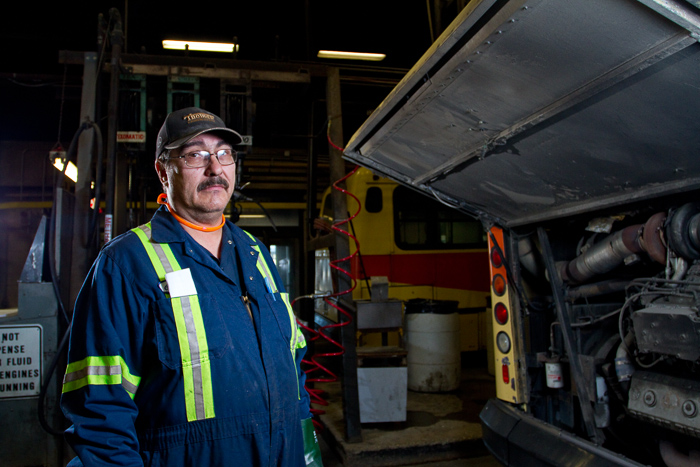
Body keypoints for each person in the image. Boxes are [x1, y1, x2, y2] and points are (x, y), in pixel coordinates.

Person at [60, 107, 322, 466]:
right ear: (162, 171)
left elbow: (294, 366)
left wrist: (308, 453)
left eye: (224, 153)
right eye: (195, 154)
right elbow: (99, 411)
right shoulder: (125, 264)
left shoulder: (256, 253)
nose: (215, 168)